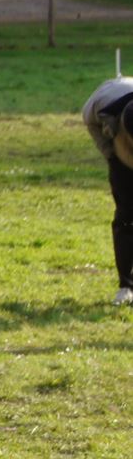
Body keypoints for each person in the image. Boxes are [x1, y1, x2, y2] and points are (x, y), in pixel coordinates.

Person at [82, 75, 133, 305]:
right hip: (119, 152)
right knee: (126, 217)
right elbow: (90, 123)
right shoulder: (99, 107)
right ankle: (126, 285)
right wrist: (111, 154)